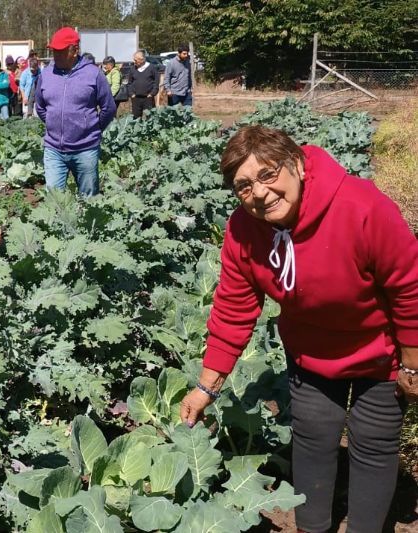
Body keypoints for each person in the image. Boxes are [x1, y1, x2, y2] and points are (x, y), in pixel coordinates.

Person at [179, 125, 418, 533]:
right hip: (309, 351)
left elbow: (409, 287)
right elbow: (234, 308)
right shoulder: (243, 229)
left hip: (381, 352)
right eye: (243, 186)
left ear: (297, 165)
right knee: (312, 439)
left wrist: (412, 364)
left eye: (268, 174)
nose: (259, 192)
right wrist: (206, 387)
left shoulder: (362, 208)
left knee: (373, 444)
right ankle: (312, 527)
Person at [35, 27, 116, 197]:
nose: (55, 55)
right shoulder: (47, 74)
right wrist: (52, 122)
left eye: (60, 51)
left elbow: (108, 108)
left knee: (88, 200)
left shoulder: (93, 74)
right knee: (54, 200)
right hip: (54, 149)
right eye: (54, 51)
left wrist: (92, 128)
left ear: (75, 50)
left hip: (85, 149)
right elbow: (40, 106)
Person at [127, 51, 159, 119]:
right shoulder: (132, 69)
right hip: (136, 98)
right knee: (136, 118)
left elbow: (156, 82)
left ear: (142, 60)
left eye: (136, 60)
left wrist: (152, 93)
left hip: (148, 98)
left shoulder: (151, 68)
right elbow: (129, 83)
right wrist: (131, 94)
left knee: (150, 117)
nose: (134, 62)